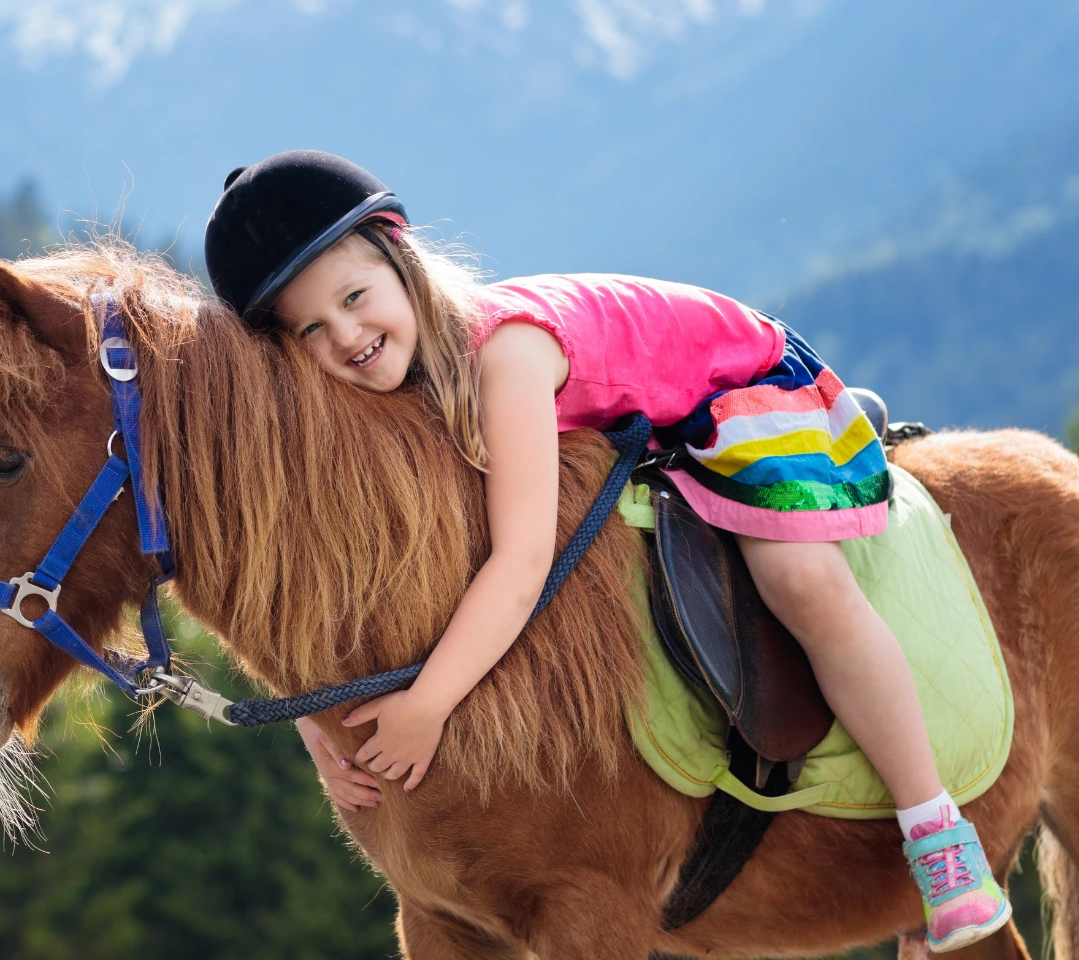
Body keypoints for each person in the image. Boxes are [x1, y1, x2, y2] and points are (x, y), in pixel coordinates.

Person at [202, 150, 1011, 952]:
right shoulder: (384, 379)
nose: (346, 336)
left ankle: (935, 833)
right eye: (311, 328)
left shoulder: (503, 358)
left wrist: (428, 706)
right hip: (651, 421)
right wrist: (316, 725)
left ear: (401, 262)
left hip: (737, 390)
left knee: (800, 579)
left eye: (354, 297)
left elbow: (520, 565)